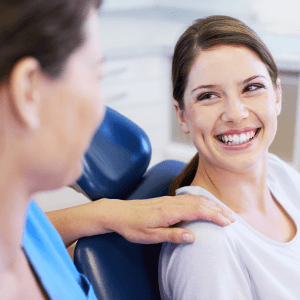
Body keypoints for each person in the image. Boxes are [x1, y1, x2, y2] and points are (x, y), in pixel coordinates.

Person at [0, 1, 236, 299]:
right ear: (28, 92)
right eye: (96, 76)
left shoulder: (22, 216)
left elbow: (34, 233)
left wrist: (105, 213)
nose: (102, 113)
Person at [159, 15, 300, 300]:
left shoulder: (280, 175)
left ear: (277, 96)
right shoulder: (206, 246)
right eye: (209, 95)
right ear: (182, 115)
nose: (235, 113)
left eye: (251, 88)